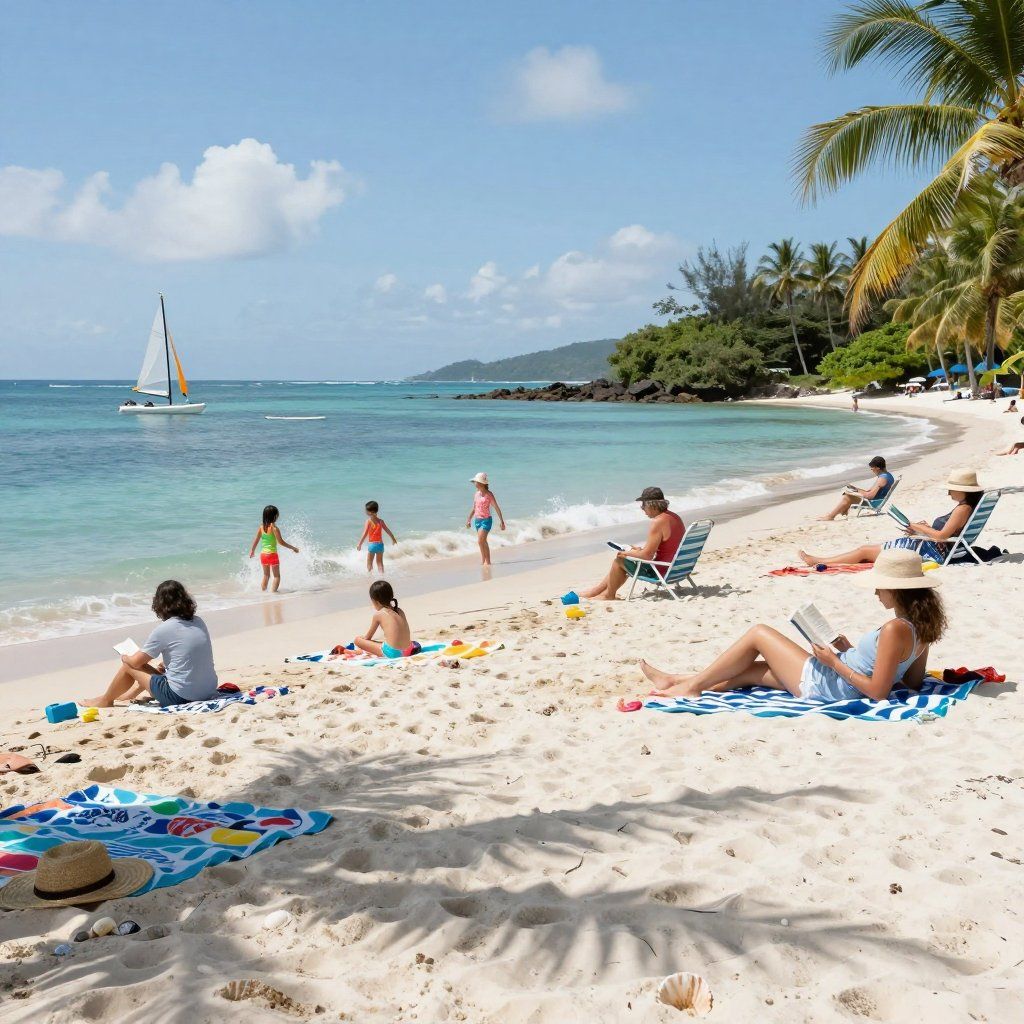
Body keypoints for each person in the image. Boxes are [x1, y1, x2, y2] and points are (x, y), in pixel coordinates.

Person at [633, 548, 944, 703]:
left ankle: (689, 687)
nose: (877, 592)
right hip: (840, 679)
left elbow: (878, 692)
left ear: (897, 589)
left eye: (880, 586)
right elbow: (913, 682)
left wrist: (834, 661)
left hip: (831, 684)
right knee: (751, 671)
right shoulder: (921, 626)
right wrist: (852, 652)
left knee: (759, 633)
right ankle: (677, 682)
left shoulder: (895, 629)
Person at [801, 469, 984, 567]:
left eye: (951, 488)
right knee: (866, 551)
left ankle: (818, 561)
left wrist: (916, 526)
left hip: (932, 550)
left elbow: (942, 536)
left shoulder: (963, 508)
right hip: (932, 544)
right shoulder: (966, 507)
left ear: (963, 490)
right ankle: (820, 559)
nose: (949, 491)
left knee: (865, 551)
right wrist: (923, 528)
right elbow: (946, 533)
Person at [82, 580, 219, 708]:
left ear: (160, 604)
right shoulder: (198, 621)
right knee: (155, 668)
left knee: (128, 665)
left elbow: (135, 663)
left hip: (180, 697)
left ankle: (105, 700)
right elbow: (190, 651)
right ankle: (125, 695)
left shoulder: (165, 629)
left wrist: (125, 656)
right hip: (208, 691)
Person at [580, 486, 685, 601]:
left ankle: (608, 595)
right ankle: (596, 591)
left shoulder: (658, 522)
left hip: (662, 571)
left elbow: (647, 556)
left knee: (620, 560)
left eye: (643, 505)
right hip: (678, 568)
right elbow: (666, 547)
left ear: (652, 505)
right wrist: (637, 550)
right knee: (625, 555)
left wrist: (626, 553)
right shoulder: (675, 517)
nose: (642, 508)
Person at [352, 580, 419, 659]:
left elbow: (367, 638)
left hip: (394, 653)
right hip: (408, 650)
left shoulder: (379, 614)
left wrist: (362, 638)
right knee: (382, 643)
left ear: (375, 601)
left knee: (357, 640)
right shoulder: (400, 610)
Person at [817, 456, 894, 521]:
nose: (871, 470)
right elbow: (869, 491)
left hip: (874, 502)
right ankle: (842, 511)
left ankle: (831, 517)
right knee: (848, 493)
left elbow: (870, 496)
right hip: (877, 500)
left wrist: (856, 491)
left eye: (872, 468)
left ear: (877, 468)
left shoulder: (882, 479)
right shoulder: (888, 475)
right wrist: (855, 489)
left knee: (847, 497)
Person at [249, 505, 299, 593]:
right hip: (272, 555)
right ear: (275, 516)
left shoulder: (261, 527)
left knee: (266, 575)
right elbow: (281, 542)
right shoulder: (275, 529)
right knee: (277, 576)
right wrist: (293, 548)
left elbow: (256, 539)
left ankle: (263, 593)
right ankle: (273, 593)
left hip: (263, 555)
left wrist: (252, 550)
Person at [466, 472, 505, 566]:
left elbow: (496, 507)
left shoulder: (489, 494)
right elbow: (474, 508)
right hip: (477, 520)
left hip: (486, 520)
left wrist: (502, 521)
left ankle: (486, 561)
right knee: (482, 541)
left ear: (481, 483)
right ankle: (486, 561)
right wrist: (469, 519)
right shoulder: (476, 494)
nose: (474, 483)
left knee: (480, 540)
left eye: (476, 481)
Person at [357, 501, 398, 573]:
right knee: (380, 563)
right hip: (380, 545)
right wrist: (393, 539)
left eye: (366, 510)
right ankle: (382, 576)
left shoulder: (368, 521)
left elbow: (365, 533)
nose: (365, 511)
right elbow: (388, 530)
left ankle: (370, 575)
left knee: (369, 563)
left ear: (370, 512)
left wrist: (359, 544)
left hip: (372, 545)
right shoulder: (381, 521)